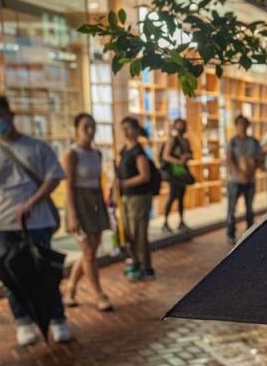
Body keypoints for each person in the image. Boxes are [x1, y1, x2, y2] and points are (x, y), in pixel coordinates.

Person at [0, 96, 71, 345]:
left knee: (45, 271)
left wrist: (31, 203)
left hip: (36, 221)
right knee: (11, 275)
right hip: (0, 222)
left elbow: (54, 178)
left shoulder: (37, 146)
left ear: (9, 115)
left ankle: (57, 318)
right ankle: (23, 321)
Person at [62, 113, 113, 311]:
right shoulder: (71, 154)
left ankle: (70, 288)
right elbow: (68, 187)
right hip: (78, 203)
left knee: (90, 252)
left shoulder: (97, 153)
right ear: (76, 129)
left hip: (95, 202)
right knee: (89, 253)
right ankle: (99, 294)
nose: (90, 131)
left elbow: (98, 183)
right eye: (85, 127)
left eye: (93, 126)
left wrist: (104, 207)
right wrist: (73, 215)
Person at [115, 116, 154, 281]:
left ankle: (146, 268)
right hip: (127, 197)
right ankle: (136, 262)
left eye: (128, 128)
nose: (125, 131)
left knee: (139, 233)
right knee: (128, 233)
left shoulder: (139, 151)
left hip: (139, 198)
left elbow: (145, 176)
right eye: (123, 128)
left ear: (136, 130)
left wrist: (123, 183)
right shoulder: (124, 150)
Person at [225, 115, 263, 244]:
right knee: (232, 208)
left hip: (250, 180)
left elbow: (259, 158)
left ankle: (250, 233)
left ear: (248, 125)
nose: (242, 126)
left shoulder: (254, 141)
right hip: (235, 181)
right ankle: (230, 233)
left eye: (244, 123)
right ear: (236, 126)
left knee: (249, 208)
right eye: (239, 124)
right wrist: (240, 173)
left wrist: (250, 172)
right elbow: (229, 160)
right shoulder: (232, 142)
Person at [160, 117, 193, 232]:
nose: (181, 127)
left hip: (182, 172)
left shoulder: (185, 140)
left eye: (182, 125)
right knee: (173, 196)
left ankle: (181, 221)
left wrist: (187, 157)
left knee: (181, 197)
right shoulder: (172, 140)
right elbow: (165, 156)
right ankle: (165, 222)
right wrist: (178, 161)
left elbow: (190, 154)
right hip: (173, 173)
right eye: (179, 125)